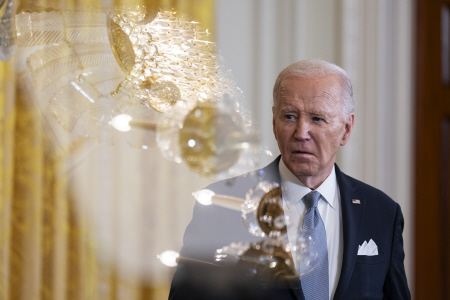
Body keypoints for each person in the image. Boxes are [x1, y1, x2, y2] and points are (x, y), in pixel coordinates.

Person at [169, 59, 411, 300]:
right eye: (289, 117)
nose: (301, 132)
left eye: (317, 119)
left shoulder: (383, 214)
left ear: (346, 129)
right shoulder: (222, 207)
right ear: (274, 123)